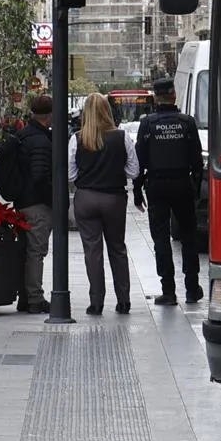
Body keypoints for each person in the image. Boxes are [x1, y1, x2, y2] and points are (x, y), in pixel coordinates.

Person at [133, 77, 204, 305]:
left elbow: (139, 159)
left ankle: (169, 291)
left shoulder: (148, 124)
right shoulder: (187, 122)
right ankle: (192, 289)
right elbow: (197, 159)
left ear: (155, 97)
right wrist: (195, 186)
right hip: (182, 184)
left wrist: (136, 189)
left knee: (161, 239)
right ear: (174, 95)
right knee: (188, 238)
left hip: (157, 186)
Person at [69, 93, 139, 315]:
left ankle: (96, 302)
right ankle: (124, 300)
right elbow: (134, 170)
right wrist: (116, 171)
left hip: (86, 197)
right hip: (114, 198)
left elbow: (70, 174)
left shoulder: (77, 138)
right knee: (117, 248)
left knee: (92, 251)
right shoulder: (121, 137)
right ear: (107, 111)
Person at [15, 96, 54, 314]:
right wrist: (51, 199)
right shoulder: (40, 140)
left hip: (23, 202)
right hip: (36, 204)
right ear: (49, 116)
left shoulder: (24, 135)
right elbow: (40, 176)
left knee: (27, 251)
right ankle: (34, 298)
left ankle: (25, 296)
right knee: (36, 251)